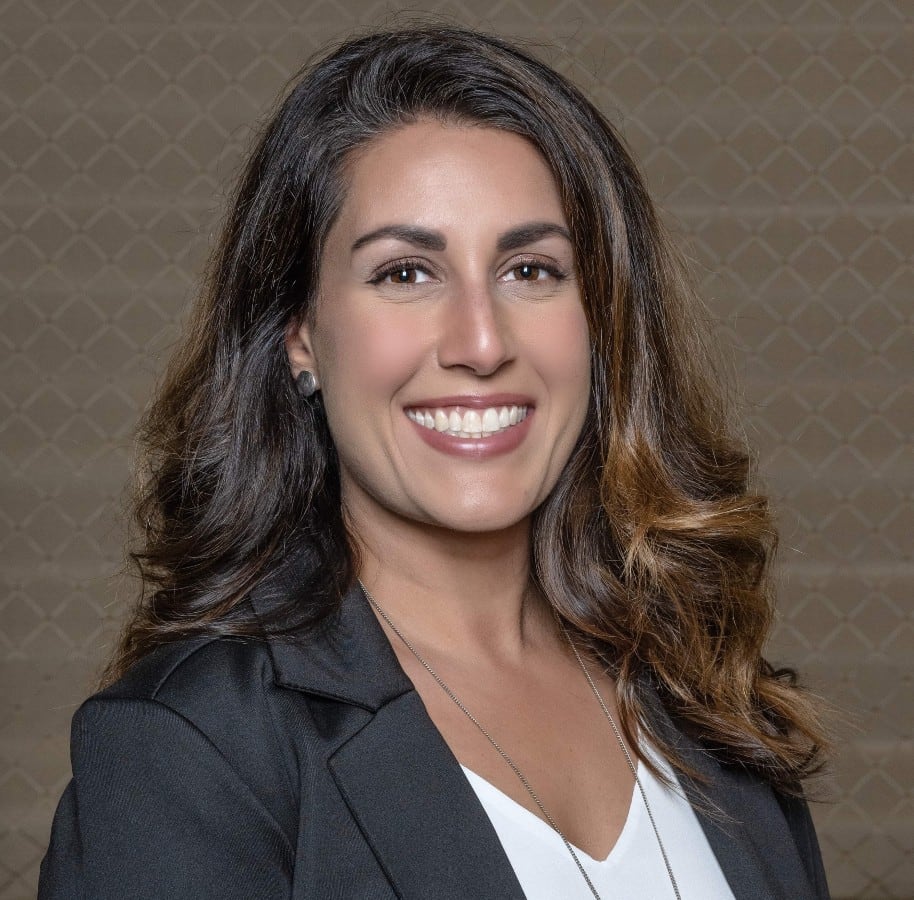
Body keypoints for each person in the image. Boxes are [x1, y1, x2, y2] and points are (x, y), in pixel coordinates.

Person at [38, 23, 830, 899]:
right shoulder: (186, 746)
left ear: (600, 319)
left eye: (531, 270)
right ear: (299, 335)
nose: (482, 343)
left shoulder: (701, 691)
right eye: (406, 274)